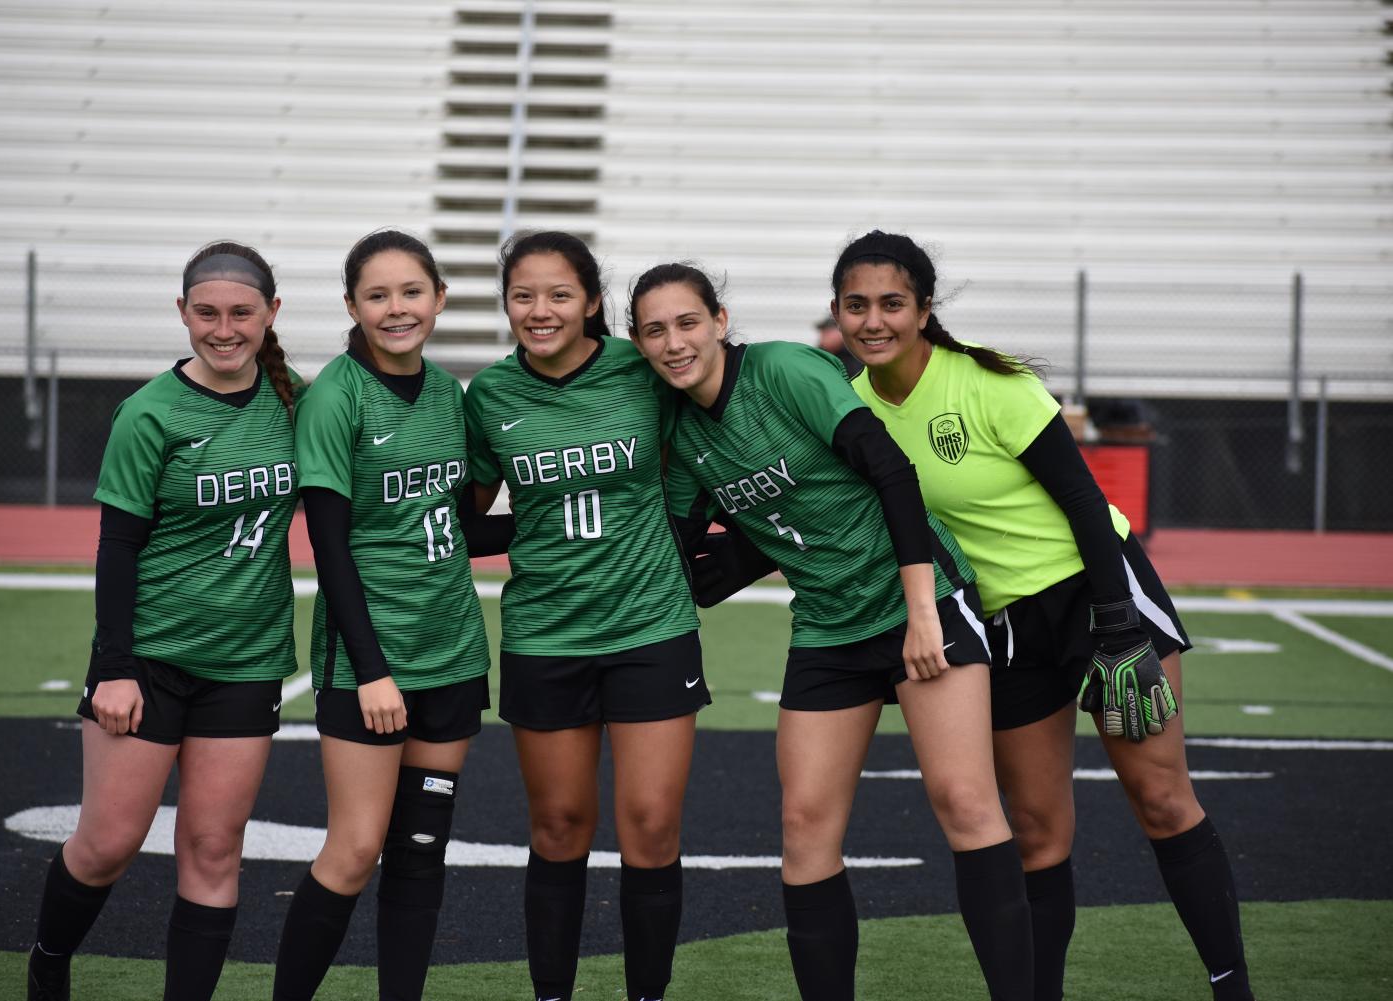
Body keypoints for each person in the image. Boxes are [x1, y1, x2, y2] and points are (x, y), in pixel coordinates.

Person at [830, 230, 1252, 1001]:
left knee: (1159, 799)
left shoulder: (986, 381)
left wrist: (1119, 624)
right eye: (856, 304)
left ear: (923, 309)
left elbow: (1086, 502)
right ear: (836, 313)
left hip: (1095, 591)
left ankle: (1232, 988)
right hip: (1002, 625)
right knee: (1034, 831)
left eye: (892, 302)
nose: (873, 320)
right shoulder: (850, 411)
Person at [629, 263, 1034, 1001]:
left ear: (719, 321)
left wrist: (921, 611)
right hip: (826, 625)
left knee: (965, 801)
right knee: (804, 822)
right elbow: (679, 551)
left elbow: (890, 470)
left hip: (922, 600)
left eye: (686, 322)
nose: (673, 341)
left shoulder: (784, 369)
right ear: (638, 342)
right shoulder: (681, 433)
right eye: (654, 330)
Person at [26, 242, 300, 1001]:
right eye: (205, 313)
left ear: (271, 314)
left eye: (241, 312)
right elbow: (117, 547)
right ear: (181, 313)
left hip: (245, 661)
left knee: (214, 848)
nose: (223, 328)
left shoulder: (294, 400)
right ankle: (49, 962)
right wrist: (114, 666)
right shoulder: (148, 413)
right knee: (107, 843)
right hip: (147, 660)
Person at [271, 230, 513, 1001]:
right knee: (354, 849)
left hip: (452, 655)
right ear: (352, 306)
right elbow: (329, 548)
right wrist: (372, 671)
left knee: (419, 850)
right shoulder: (334, 396)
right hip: (371, 663)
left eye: (411, 291)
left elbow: (458, 528)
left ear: (438, 298)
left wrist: (555, 521)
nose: (397, 307)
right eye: (377, 295)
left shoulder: (449, 394)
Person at [463, 231, 705, 1001]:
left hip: (651, 630)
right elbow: (469, 525)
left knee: (649, 826)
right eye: (523, 295)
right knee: (560, 826)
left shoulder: (643, 369)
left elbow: (700, 458)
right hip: (545, 633)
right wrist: (541, 529)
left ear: (593, 302)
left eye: (559, 294)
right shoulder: (490, 397)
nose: (540, 310)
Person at [815, 313, 863, 378]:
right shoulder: (816, 355)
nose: (823, 336)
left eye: (828, 332)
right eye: (822, 332)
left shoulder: (855, 355)